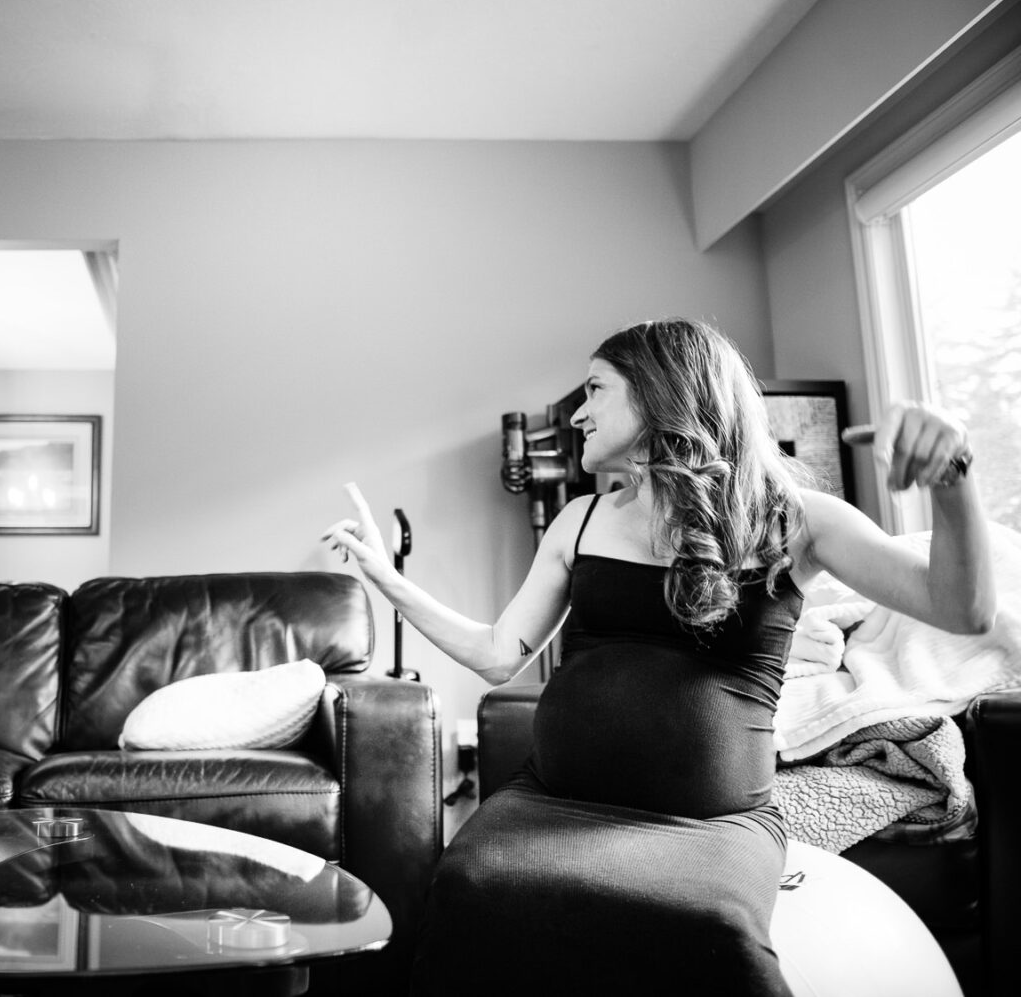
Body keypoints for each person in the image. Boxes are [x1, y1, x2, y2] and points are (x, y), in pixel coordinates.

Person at [322, 317, 995, 996]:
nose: (578, 413)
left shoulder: (797, 519)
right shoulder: (579, 521)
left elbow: (961, 608)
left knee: (709, 935)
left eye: (595, 389)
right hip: (552, 805)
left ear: (658, 394)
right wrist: (385, 575)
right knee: (465, 886)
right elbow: (498, 656)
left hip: (707, 827)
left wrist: (953, 477)